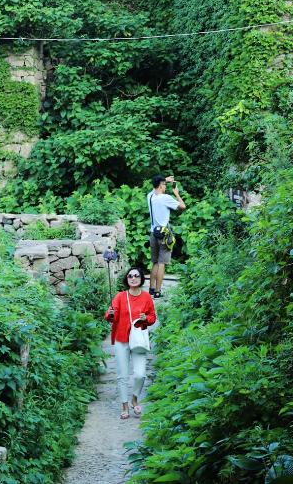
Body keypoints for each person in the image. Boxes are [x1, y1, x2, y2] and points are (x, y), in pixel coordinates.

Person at [105, 265, 156, 420]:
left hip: (138, 339)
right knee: (122, 375)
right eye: (130, 276)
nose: (133, 278)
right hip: (122, 339)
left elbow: (152, 317)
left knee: (140, 375)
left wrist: (145, 319)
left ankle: (135, 398)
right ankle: (125, 405)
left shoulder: (146, 297)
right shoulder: (120, 296)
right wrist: (111, 314)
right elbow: (109, 315)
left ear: (141, 279)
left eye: (136, 276)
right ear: (127, 280)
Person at [147, 174, 186, 298]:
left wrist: (165, 180)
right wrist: (176, 193)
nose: (165, 187)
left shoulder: (150, 196)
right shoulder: (165, 198)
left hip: (153, 233)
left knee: (154, 262)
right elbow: (182, 207)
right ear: (160, 186)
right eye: (164, 185)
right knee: (161, 262)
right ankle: (158, 291)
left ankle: (151, 288)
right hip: (164, 234)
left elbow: (155, 188)